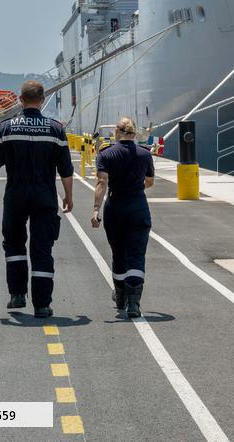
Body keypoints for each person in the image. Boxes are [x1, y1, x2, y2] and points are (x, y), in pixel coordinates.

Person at [0, 80, 73, 319]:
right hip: (45, 196)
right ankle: (42, 305)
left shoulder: (6, 128)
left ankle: (17, 295)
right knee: (42, 248)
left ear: (20, 100)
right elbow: (66, 169)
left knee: (14, 245)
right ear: (42, 100)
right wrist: (69, 197)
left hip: (16, 195)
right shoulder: (55, 129)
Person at [91, 117, 154, 318]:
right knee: (136, 253)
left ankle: (120, 297)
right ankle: (134, 303)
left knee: (118, 252)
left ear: (116, 133)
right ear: (134, 134)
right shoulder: (145, 154)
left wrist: (95, 210)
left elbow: (102, 182)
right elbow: (150, 182)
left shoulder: (106, 154)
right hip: (138, 206)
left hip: (115, 207)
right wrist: (134, 189)